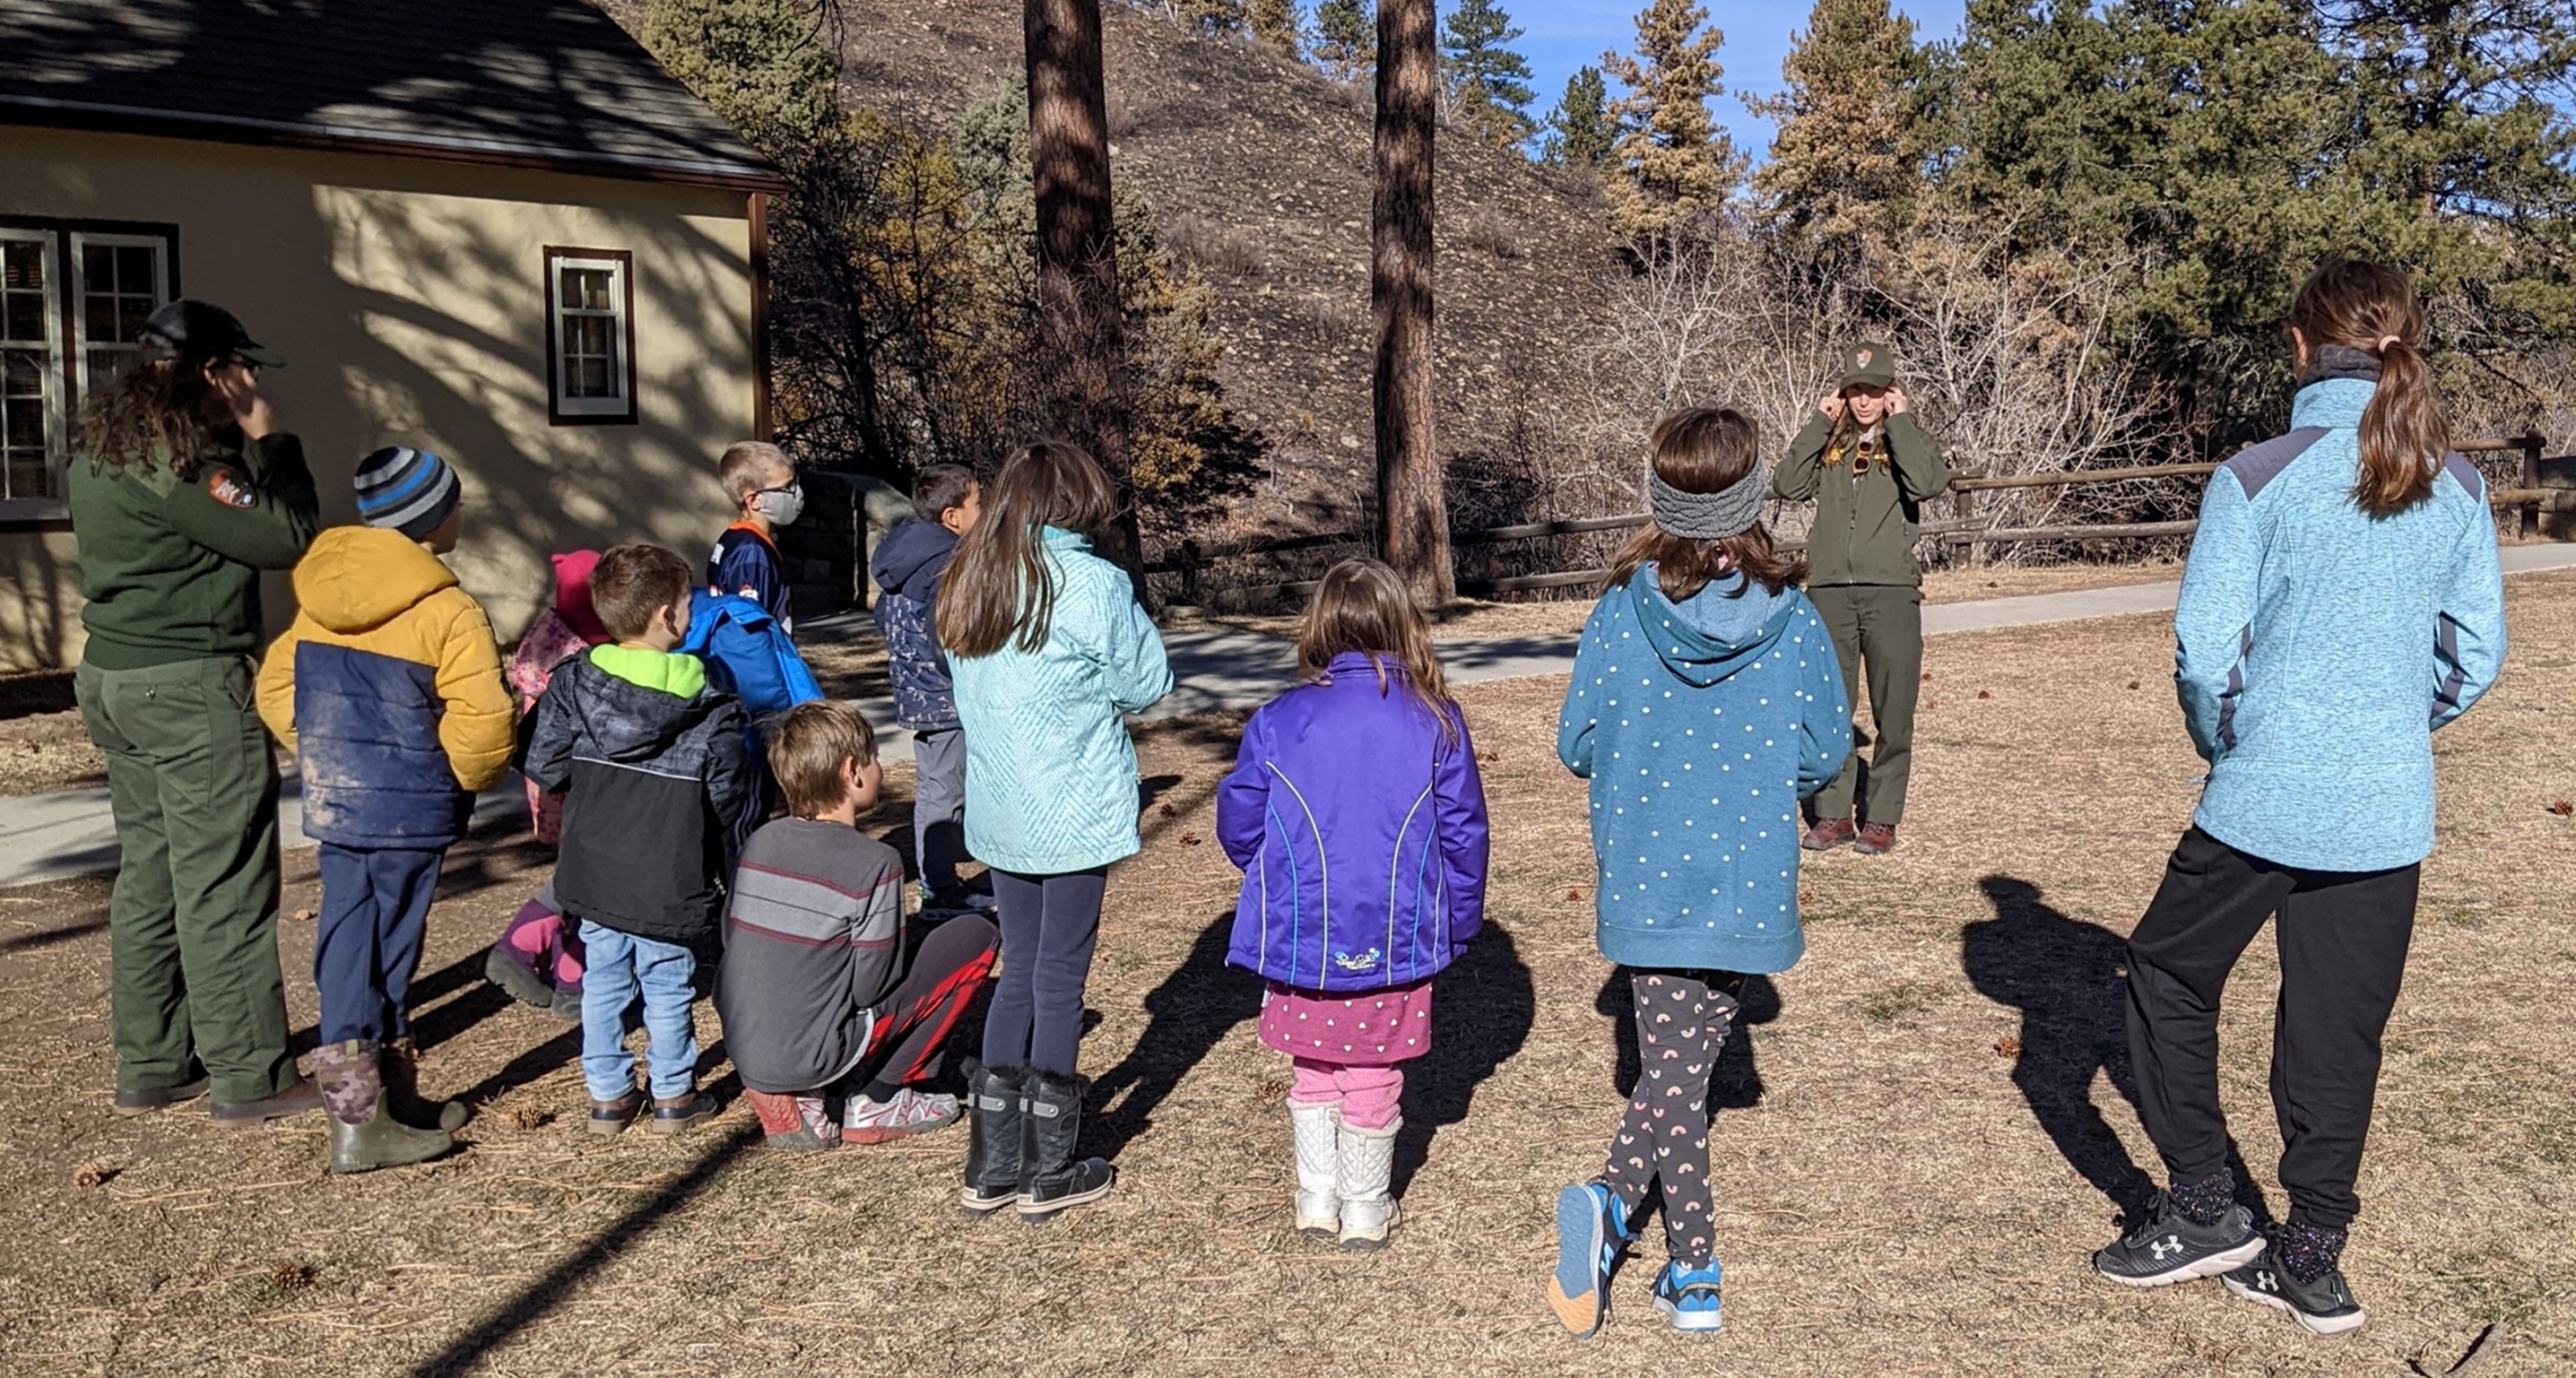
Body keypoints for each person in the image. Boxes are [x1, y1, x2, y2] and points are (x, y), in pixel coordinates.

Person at [2090, 260, 2506, 1335]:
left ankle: (2205, 1208)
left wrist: (2238, 741)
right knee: (2338, 1031)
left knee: (2165, 972)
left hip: (2261, 793)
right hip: (2382, 804)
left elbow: (2200, 649)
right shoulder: (2453, 484)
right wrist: (2387, 729)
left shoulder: (2256, 475)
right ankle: (2310, 1251)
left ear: (2296, 345)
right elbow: (2472, 655)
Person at [1550, 409, 1851, 1336]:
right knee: (1680, 1076)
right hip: (1745, 871)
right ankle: (1674, 1257)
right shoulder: (1795, 621)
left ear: (1658, 497)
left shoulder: (1616, 614)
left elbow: (1578, 743)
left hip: (1644, 866)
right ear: (1754, 497)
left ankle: (1677, 1257)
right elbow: (1824, 749)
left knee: (1672, 1075)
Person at [67, 299, 324, 1125]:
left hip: (114, 677)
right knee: (223, 877)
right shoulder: (185, 464)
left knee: (149, 874)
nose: (245, 386)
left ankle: (153, 1059)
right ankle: (251, 1073)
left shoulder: (100, 446)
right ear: (211, 373)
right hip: (187, 685)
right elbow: (287, 537)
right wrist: (266, 437)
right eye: (237, 374)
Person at [1215, 559, 1488, 1250]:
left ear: (1320, 627)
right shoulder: (1435, 718)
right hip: (1395, 931)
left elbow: (1239, 815)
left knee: (1312, 1060)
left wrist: (1267, 874)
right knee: (1371, 1063)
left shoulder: (1279, 720)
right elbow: (1465, 833)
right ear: (1402, 622)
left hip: (1302, 929)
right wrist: (1458, 918)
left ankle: (1317, 1198)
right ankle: (1363, 1206)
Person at [255, 446, 512, 1171]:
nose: (460, 512)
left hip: (341, 800)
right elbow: (483, 717)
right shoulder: (447, 608)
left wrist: (325, 749)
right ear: (433, 519)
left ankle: (389, 1096)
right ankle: (361, 1120)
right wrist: (462, 775)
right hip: (412, 804)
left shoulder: (317, 602)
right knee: (390, 942)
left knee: (351, 935)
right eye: (454, 502)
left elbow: (276, 687)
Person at [942, 441, 1172, 1220]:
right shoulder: (1095, 583)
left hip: (1002, 807)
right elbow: (1147, 683)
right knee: (1059, 978)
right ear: (1078, 502)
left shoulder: (971, 573)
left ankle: (990, 1162)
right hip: (1072, 809)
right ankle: (1049, 1163)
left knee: (1021, 969)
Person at [484, 580, 820, 1018]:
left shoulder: (582, 675)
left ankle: (565, 980)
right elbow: (727, 794)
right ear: (666, 617)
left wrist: (581, 781)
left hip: (598, 817)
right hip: (663, 827)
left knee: (599, 908)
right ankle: (672, 1077)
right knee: (662, 968)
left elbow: (539, 756)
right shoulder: (700, 690)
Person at [524, 544, 750, 1137]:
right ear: (665, 616)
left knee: (603, 977)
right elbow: (727, 800)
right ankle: (673, 1093)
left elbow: (545, 763)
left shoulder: (574, 682)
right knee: (668, 979)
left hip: (595, 861)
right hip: (668, 869)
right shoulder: (709, 706)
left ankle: (608, 1095)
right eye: (684, 601)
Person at [716, 702, 1000, 1150]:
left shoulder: (760, 841)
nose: (879, 768)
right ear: (853, 772)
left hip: (745, 1041)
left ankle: (788, 1086)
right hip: (820, 1049)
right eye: (874, 758)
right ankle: (881, 1097)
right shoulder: (876, 863)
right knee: (974, 937)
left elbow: (732, 938)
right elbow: (872, 987)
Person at [1769, 342, 1952, 855]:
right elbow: (1786, 484)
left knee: (1894, 711)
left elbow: (1929, 482)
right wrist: (1816, 423)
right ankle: (1833, 814)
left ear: (1890, 393)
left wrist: (1902, 424)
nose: (1864, 401)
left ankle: (1883, 817)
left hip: (1891, 591)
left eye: (1874, 392)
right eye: (1855, 391)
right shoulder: (1832, 443)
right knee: (1830, 708)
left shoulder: (1906, 440)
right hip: (1828, 591)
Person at [483, 550, 611, 1021]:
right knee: (591, 877)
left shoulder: (544, 641)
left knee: (581, 872)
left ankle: (551, 961)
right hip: (580, 786)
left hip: (549, 786)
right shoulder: (584, 657)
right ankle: (549, 960)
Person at [870, 463, 989, 913]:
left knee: (942, 788)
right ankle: (939, 890)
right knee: (943, 794)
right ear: (952, 517)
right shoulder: (945, 564)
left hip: (917, 692)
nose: (985, 509)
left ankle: (944, 882)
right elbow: (949, 640)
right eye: (978, 502)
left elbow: (884, 615)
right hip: (945, 697)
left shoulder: (903, 554)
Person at [707, 440, 801, 635]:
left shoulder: (735, 539)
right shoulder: (752, 553)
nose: (797, 493)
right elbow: (752, 633)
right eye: (788, 487)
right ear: (754, 500)